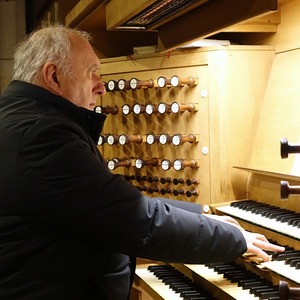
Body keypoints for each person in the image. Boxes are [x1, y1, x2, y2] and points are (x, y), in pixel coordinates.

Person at [0, 25, 284, 300]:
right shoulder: (42, 136)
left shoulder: (23, 120)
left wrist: (202, 213)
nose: (101, 87)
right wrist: (233, 239)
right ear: (53, 76)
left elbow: (109, 201)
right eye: (91, 73)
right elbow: (132, 220)